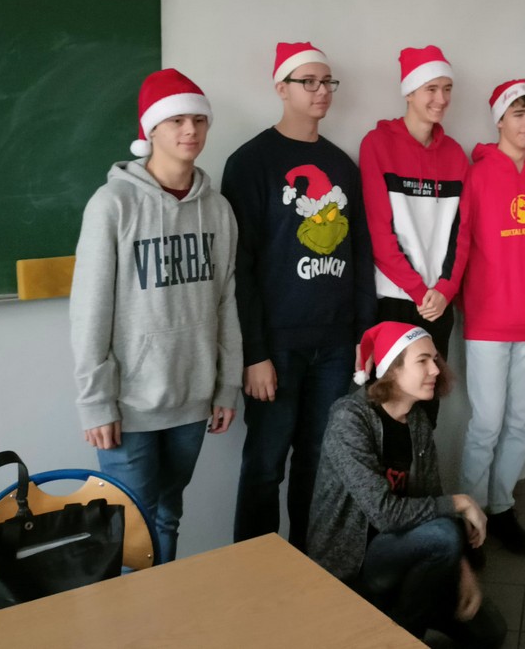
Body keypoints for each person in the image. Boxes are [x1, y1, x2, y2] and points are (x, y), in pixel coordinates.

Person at [70, 68, 242, 564]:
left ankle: (165, 608)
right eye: (176, 121)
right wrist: (95, 402)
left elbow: (226, 300)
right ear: (151, 130)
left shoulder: (218, 210)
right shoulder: (112, 205)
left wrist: (227, 385)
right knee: (130, 529)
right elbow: (89, 310)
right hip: (129, 407)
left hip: (193, 398)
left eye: (198, 120)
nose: (190, 131)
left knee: (168, 517)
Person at [222, 41, 376, 549]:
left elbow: (359, 256)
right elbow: (240, 269)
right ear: (281, 88)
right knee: (265, 465)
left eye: (327, 82)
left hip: (335, 346)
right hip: (277, 348)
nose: (320, 91)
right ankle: (255, 573)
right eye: (308, 81)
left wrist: (363, 338)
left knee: (320, 462)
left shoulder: (342, 165)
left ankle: (311, 566)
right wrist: (254, 353)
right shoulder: (250, 163)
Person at [307, 322, 505, 648]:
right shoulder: (350, 418)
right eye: (423, 360)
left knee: (492, 633)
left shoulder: (417, 420)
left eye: (435, 360)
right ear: (392, 369)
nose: (435, 369)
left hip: (405, 551)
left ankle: (404, 615)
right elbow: (385, 514)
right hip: (356, 564)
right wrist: (461, 502)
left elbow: (432, 499)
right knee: (445, 532)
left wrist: (462, 568)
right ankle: (400, 637)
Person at [458, 80, 525, 555]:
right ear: (499, 120)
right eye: (519, 114)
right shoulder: (476, 176)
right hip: (488, 320)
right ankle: (470, 517)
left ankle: (501, 507)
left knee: (520, 423)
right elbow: (462, 245)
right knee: (486, 424)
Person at [360, 45, 471, 427]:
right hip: (395, 301)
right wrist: (419, 290)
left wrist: (445, 289)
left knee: (427, 410)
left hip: (438, 302)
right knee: (386, 408)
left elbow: (462, 232)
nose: (441, 99)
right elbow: (379, 232)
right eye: (431, 89)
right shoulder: (377, 144)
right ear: (409, 92)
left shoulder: (455, 155)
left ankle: (423, 470)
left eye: (447, 89)